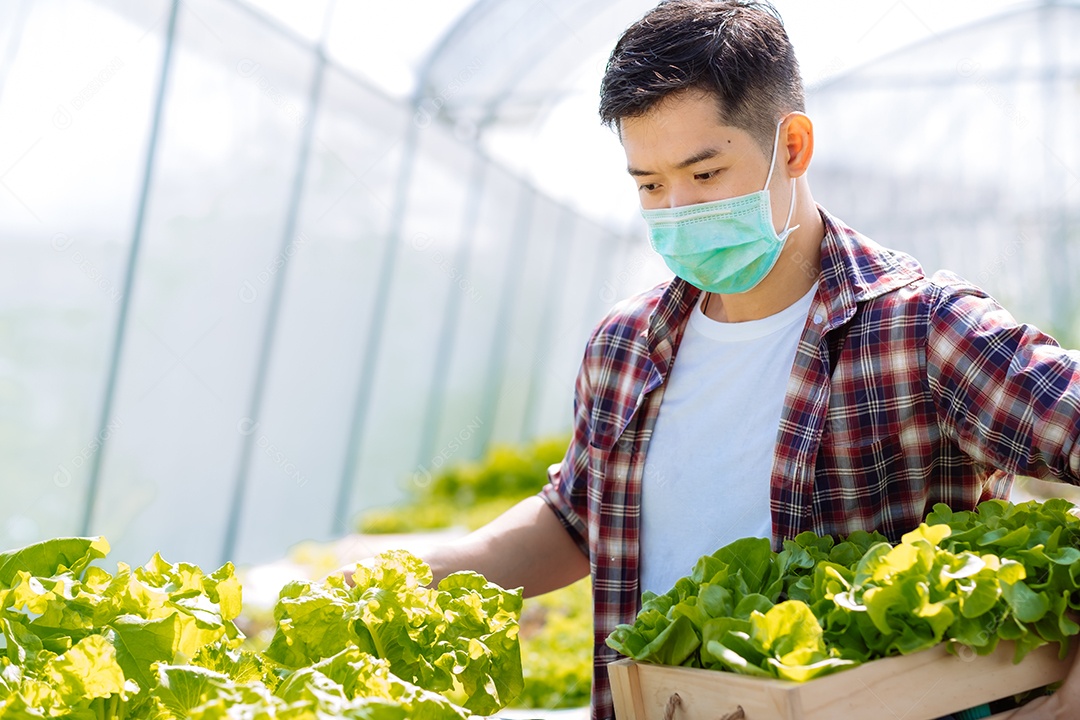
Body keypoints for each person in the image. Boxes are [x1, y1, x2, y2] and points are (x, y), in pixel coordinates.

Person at [341, 2, 1080, 718]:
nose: (677, 212)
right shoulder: (625, 346)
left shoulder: (921, 328)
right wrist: (418, 577)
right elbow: (576, 519)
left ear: (792, 147)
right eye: (650, 185)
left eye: (704, 176)